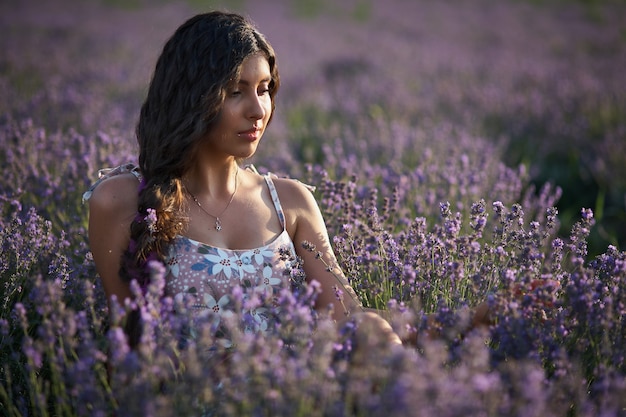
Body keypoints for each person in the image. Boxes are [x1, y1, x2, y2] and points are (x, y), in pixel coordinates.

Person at [86, 11, 487, 351]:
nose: (258, 110)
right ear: (191, 97)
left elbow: (348, 318)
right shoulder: (122, 199)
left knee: (375, 335)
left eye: (264, 89)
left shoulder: (289, 201)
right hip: (193, 398)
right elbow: (130, 346)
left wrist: (464, 321)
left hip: (296, 395)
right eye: (235, 91)